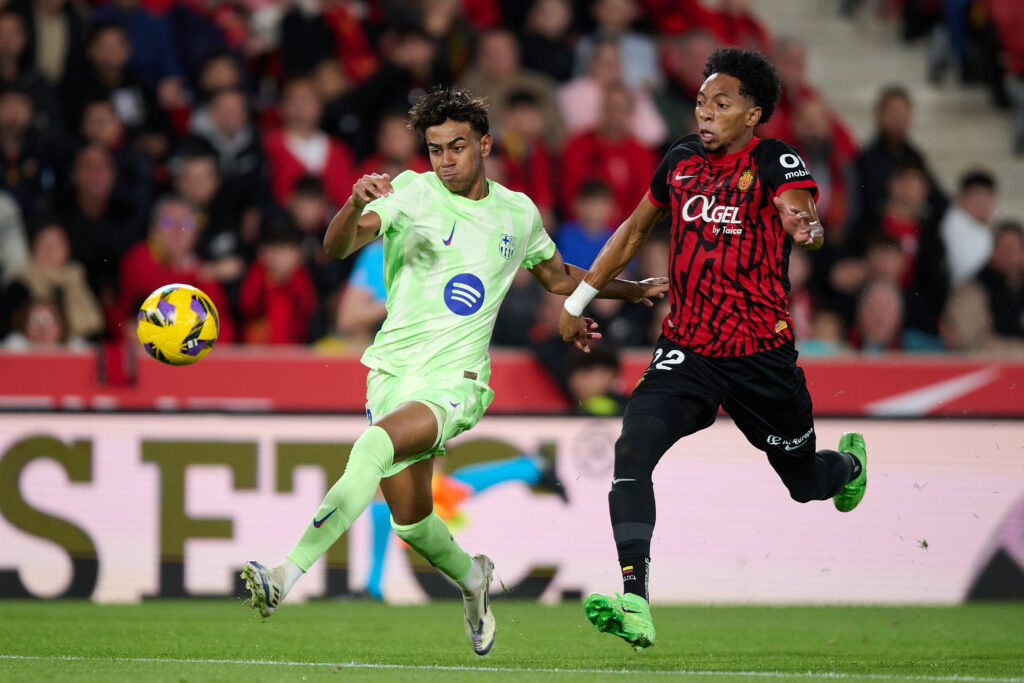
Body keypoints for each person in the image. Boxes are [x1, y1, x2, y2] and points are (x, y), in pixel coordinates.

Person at [240, 87, 667, 655]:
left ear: (485, 144)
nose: (444, 160)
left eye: (457, 147)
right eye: (436, 148)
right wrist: (349, 206)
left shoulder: (516, 212)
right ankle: (473, 579)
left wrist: (628, 289)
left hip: (456, 383)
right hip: (391, 375)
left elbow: (560, 276)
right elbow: (339, 245)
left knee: (371, 449)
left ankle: (284, 576)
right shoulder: (411, 191)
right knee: (412, 523)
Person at [558, 48, 868, 651]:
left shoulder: (775, 159)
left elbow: (801, 209)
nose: (705, 113)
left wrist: (804, 225)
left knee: (804, 482)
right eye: (701, 102)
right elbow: (631, 233)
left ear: (753, 114)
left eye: (721, 104)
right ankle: (635, 600)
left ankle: (849, 465)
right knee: (633, 447)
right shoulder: (678, 161)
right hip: (688, 349)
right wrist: (577, 304)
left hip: (761, 358)